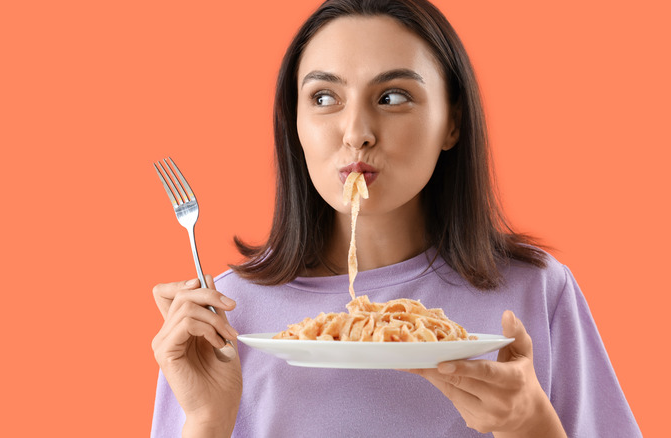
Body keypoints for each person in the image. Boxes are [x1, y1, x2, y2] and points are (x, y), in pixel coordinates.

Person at [150, 0, 641, 436]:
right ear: (293, 124)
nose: (357, 132)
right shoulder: (222, 314)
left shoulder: (536, 293)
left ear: (452, 122)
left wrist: (532, 426)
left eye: (392, 97)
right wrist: (206, 423)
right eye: (324, 98)